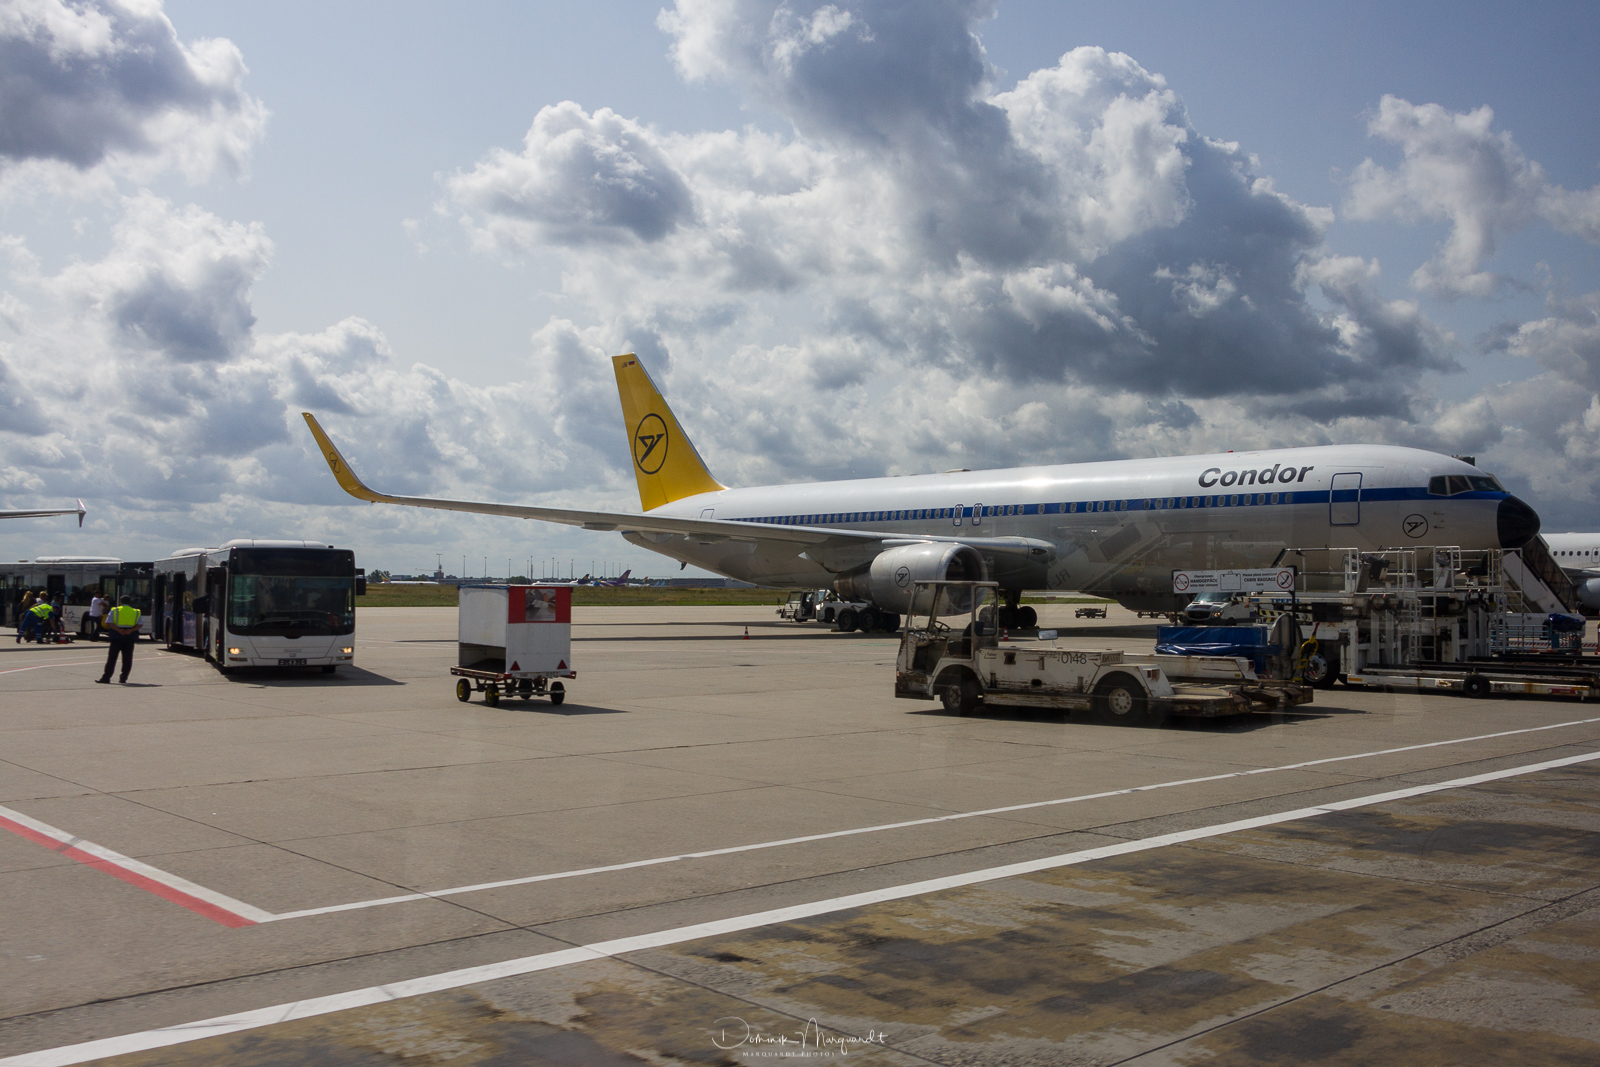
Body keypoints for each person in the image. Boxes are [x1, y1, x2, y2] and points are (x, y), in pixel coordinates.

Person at [97, 595, 141, 684]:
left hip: (116, 636)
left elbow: (108, 622)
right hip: (129, 636)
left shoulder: (115, 610)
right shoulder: (136, 611)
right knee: (127, 659)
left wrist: (118, 630)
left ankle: (106, 678)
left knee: (112, 658)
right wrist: (130, 630)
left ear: (120, 602)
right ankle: (123, 677)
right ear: (130, 602)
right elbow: (140, 624)